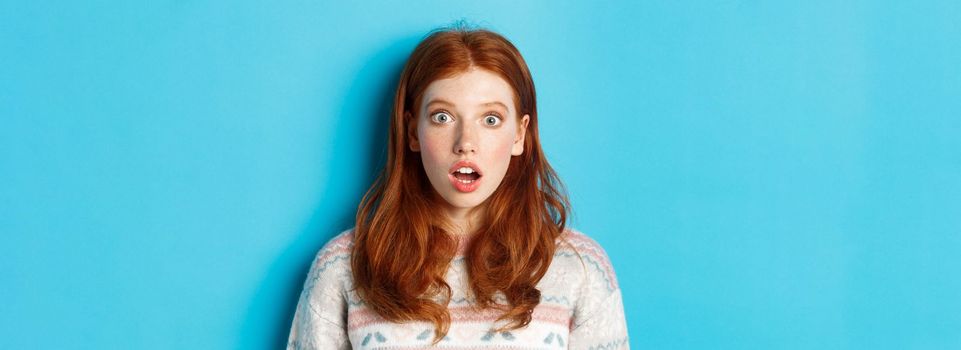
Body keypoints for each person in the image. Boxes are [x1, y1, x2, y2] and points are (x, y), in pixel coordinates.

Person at [287, 24, 629, 349]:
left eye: (490, 119)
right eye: (442, 117)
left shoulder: (581, 268)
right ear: (412, 132)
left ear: (519, 135)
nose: (466, 142)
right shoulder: (343, 266)